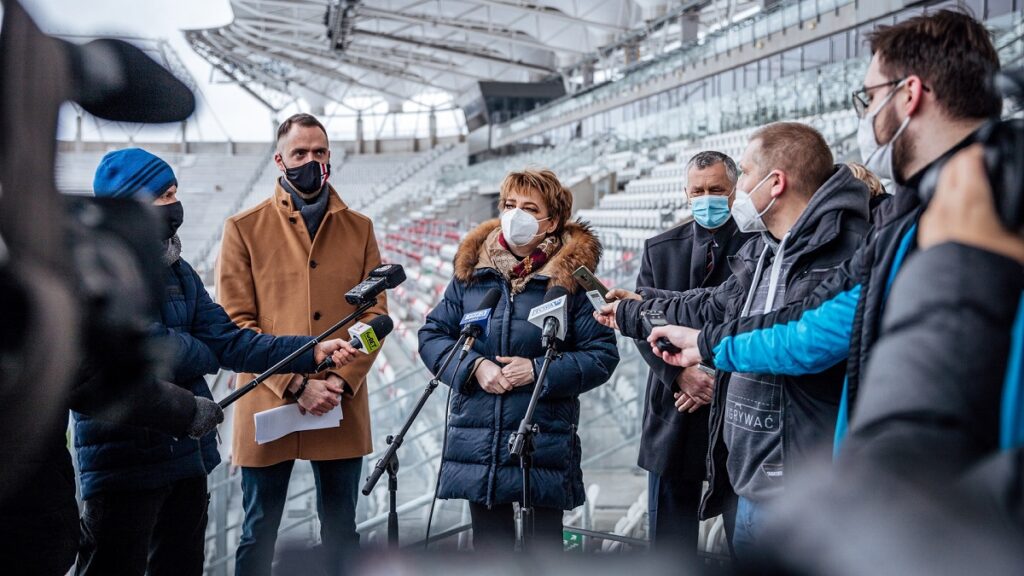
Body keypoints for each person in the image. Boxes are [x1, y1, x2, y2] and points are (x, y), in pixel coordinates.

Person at [639, 9, 1002, 455]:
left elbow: (812, 338)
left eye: (869, 97)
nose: (867, 115)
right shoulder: (906, 217)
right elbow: (815, 322)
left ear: (910, 95)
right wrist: (700, 341)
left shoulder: (987, 206)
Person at [74, 148, 360, 576]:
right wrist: (201, 350)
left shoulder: (179, 269)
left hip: (187, 458)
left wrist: (311, 349)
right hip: (124, 466)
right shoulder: (94, 271)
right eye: (164, 195)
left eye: (175, 192)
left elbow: (228, 339)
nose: (175, 203)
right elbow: (147, 348)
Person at [599, 123, 870, 557]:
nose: (735, 190)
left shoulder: (839, 250)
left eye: (741, 175)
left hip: (796, 481)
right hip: (748, 469)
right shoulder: (764, 250)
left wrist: (706, 348)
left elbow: (794, 335)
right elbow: (709, 305)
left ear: (774, 182)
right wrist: (634, 311)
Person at [218, 113, 388, 576]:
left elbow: (376, 317)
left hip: (340, 402)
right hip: (269, 401)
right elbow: (236, 326)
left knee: (340, 530)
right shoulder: (244, 229)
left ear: (330, 157)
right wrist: (296, 386)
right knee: (259, 532)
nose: (310, 161)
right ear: (280, 160)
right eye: (299, 153)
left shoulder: (360, 228)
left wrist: (337, 379)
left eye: (319, 152)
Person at [417, 168, 619, 551]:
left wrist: (537, 371)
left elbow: (602, 354)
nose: (516, 215)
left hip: (540, 445)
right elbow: (432, 335)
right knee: (490, 555)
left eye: (529, 207)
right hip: (479, 448)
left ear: (552, 221)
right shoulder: (471, 272)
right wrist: (475, 366)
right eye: (510, 205)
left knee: (544, 557)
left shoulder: (577, 278)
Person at [610, 151, 753, 551]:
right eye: (698, 190)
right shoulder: (659, 248)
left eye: (716, 190)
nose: (706, 198)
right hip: (674, 406)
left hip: (735, 409)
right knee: (670, 544)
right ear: (685, 193)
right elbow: (642, 325)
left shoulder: (758, 247)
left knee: (743, 536)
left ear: (735, 189)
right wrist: (681, 375)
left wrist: (713, 377)